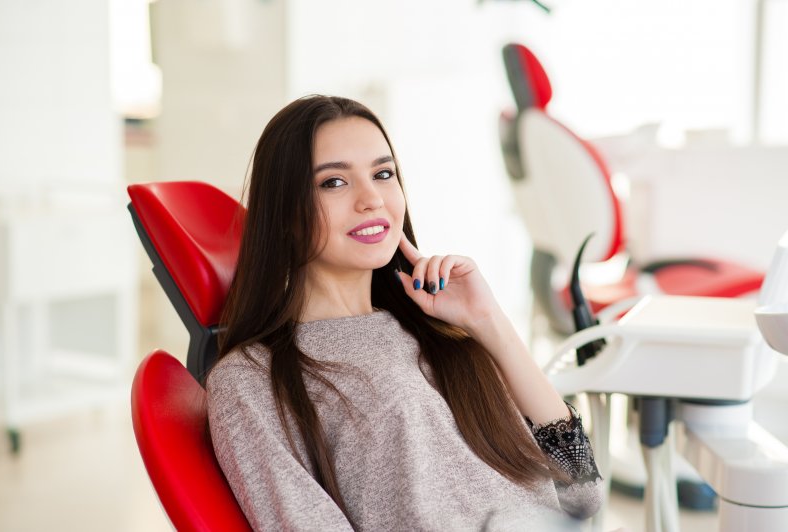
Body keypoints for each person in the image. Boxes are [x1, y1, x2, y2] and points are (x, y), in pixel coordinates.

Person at [207, 95, 603, 531]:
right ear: (284, 213)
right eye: (334, 183)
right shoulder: (250, 378)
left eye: (383, 174)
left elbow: (582, 491)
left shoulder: (444, 331)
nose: (372, 199)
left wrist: (490, 323)